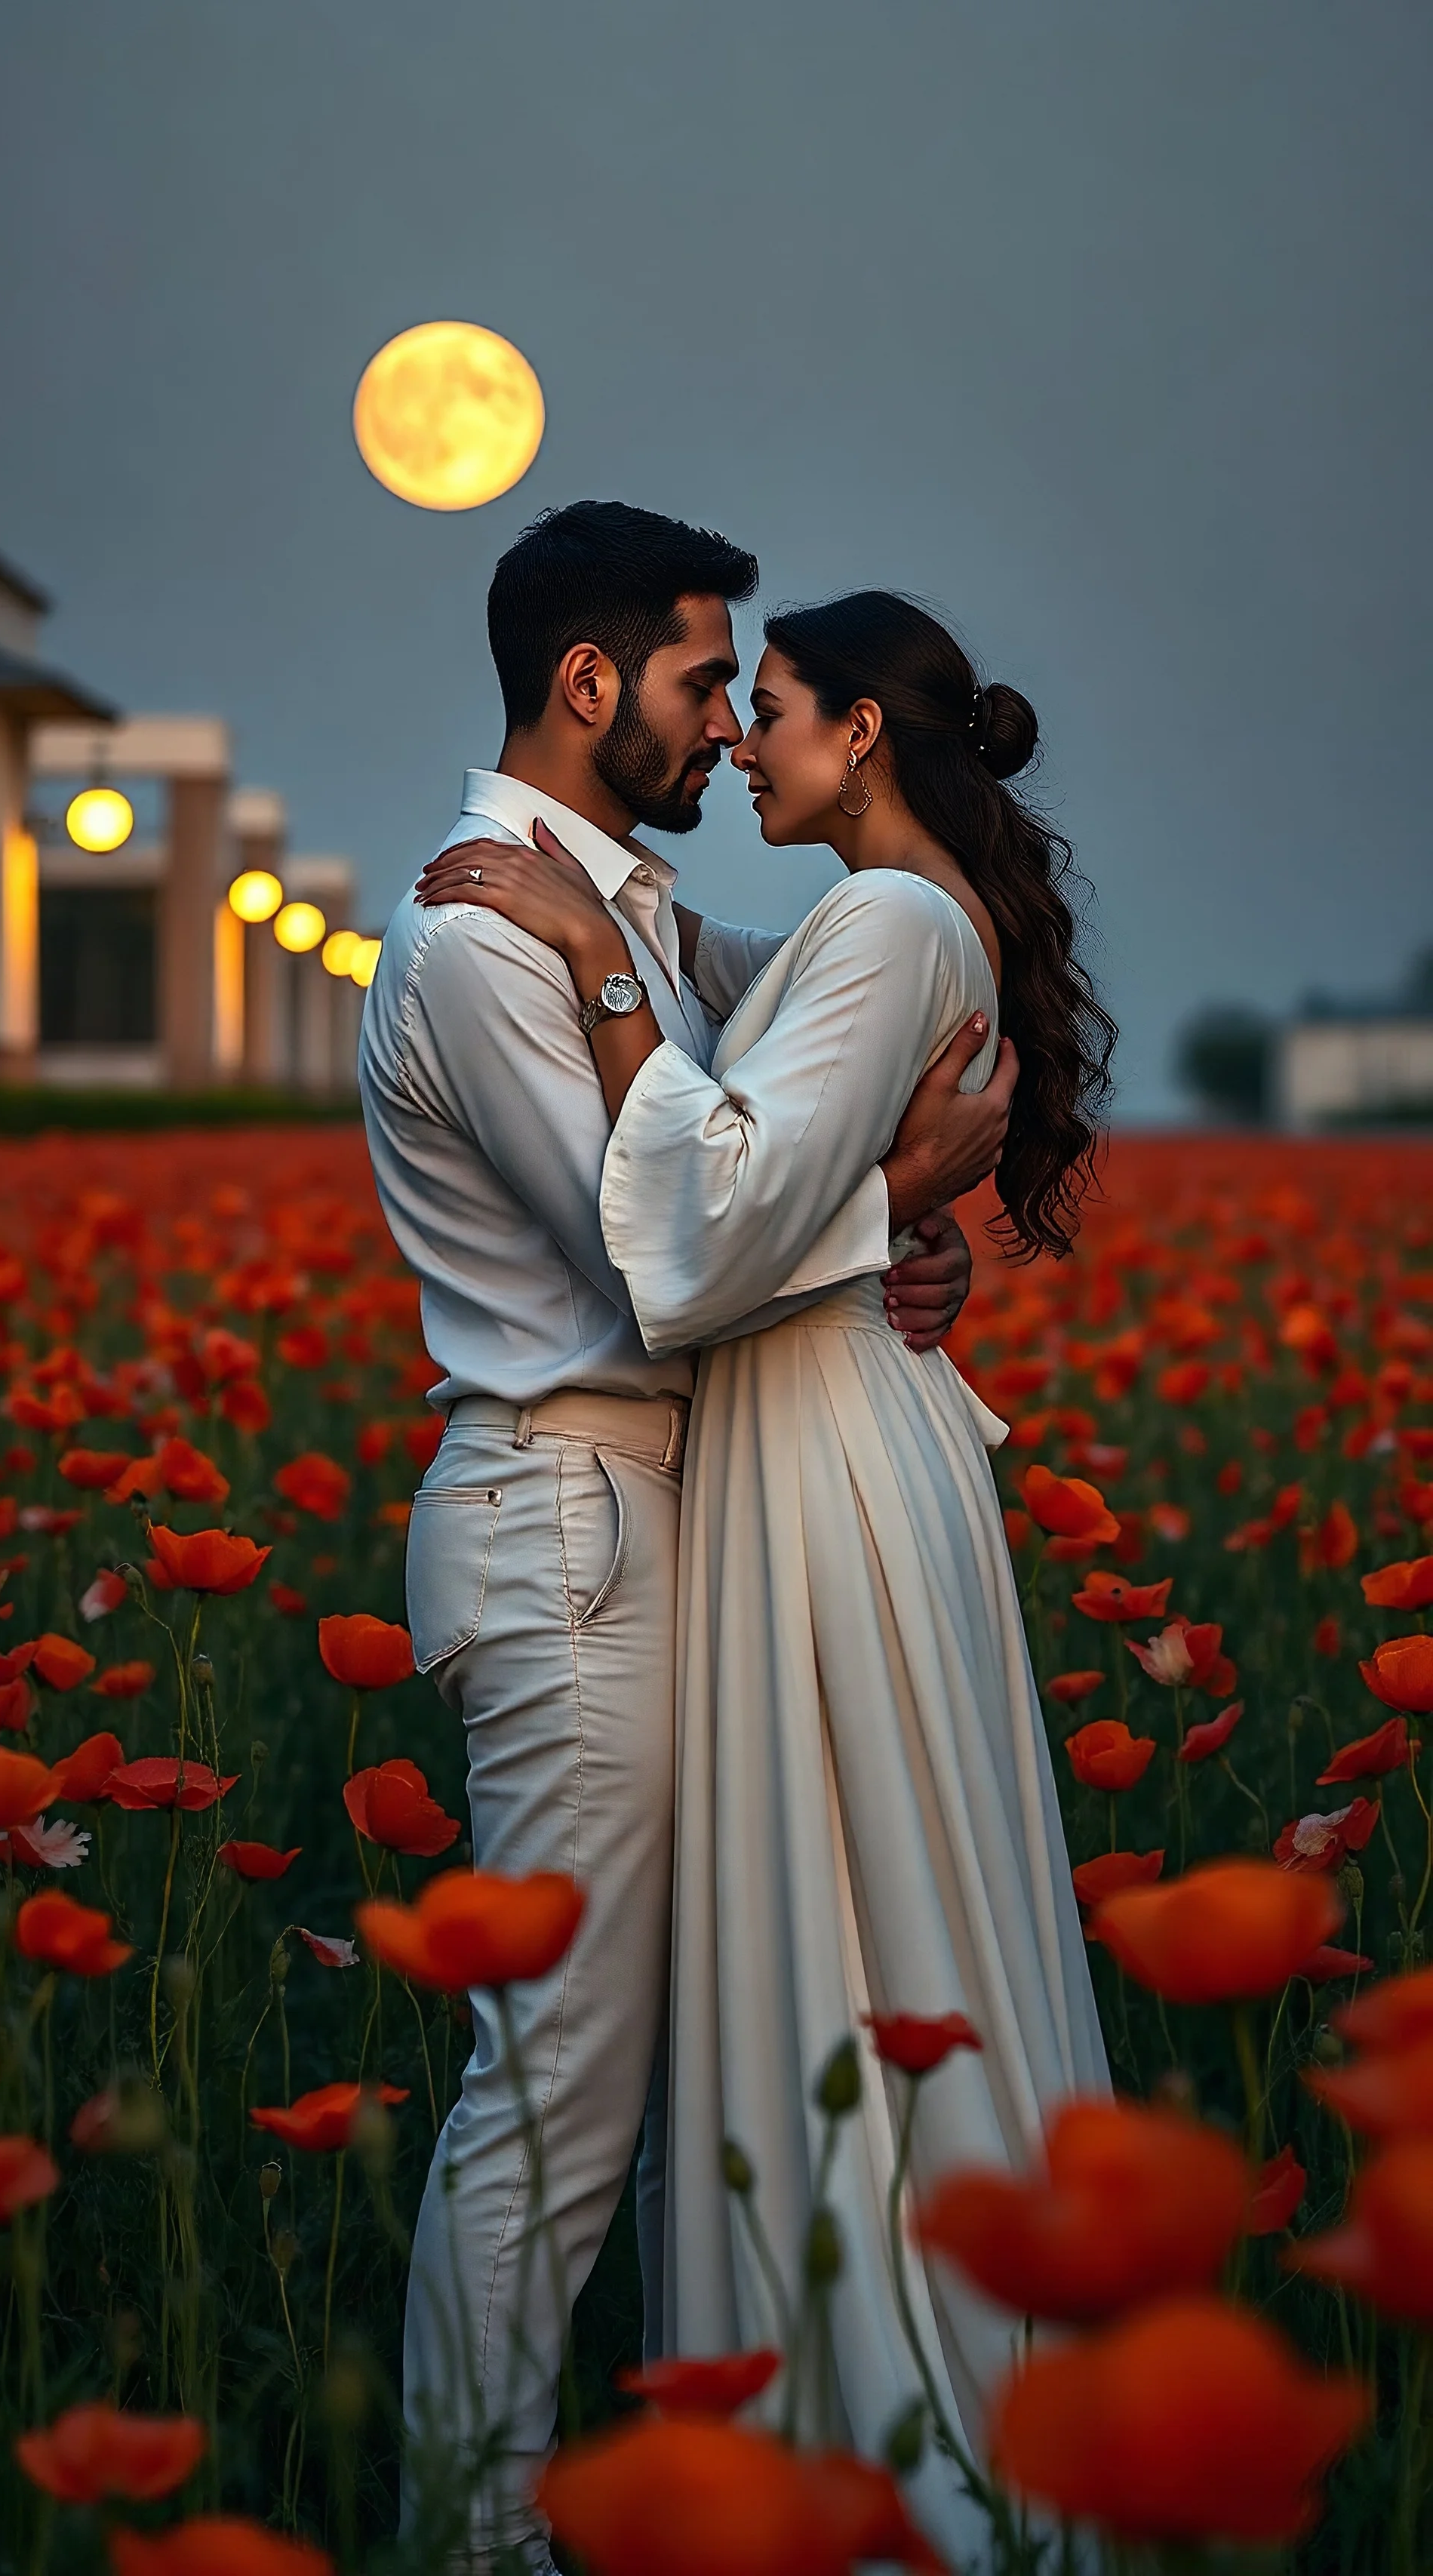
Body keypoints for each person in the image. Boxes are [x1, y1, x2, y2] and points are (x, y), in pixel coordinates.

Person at [421, 586, 1115, 2562]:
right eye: (718, 695)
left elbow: (710, 1238)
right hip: (813, 1428)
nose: (738, 738)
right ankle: (861, 2426)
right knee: (851, 1914)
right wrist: (885, 1187)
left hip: (817, 1445)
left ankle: (876, 2438)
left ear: (863, 737)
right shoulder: (860, 922)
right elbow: (757, 1046)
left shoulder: (889, 924)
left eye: (771, 704)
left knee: (851, 1905)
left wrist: (606, 972)